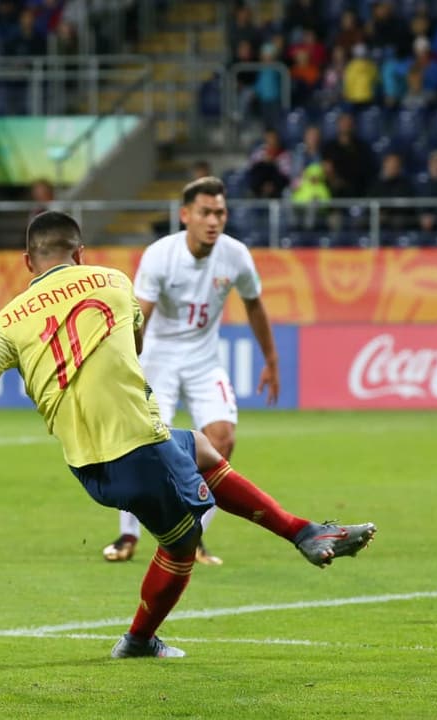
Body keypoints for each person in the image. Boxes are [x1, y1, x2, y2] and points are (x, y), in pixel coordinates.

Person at [0, 211, 374, 658]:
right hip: (139, 447)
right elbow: (138, 342)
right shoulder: (111, 281)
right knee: (182, 546)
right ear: (80, 252)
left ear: (28, 261)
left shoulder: (6, 320)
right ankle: (139, 640)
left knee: (201, 447)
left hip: (87, 465)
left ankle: (304, 532)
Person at [103, 177, 282, 566]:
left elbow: (254, 305)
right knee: (144, 448)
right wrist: (126, 366)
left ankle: (194, 535)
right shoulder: (159, 256)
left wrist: (271, 360)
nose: (213, 220)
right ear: (186, 215)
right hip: (158, 358)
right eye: (205, 212)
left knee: (223, 440)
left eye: (219, 212)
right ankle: (127, 534)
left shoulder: (235, 255)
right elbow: (140, 317)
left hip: (204, 360)